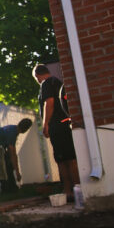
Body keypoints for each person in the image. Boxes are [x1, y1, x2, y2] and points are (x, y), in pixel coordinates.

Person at [33, 64, 80, 200]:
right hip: (66, 123)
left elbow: (49, 102)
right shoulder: (58, 82)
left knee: (61, 159)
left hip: (56, 125)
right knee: (71, 158)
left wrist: (45, 123)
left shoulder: (46, 84)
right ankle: (78, 189)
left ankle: (68, 191)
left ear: (37, 76)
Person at [0, 118, 33, 193]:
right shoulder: (12, 133)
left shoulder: (13, 129)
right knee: (6, 166)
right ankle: (9, 188)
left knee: (7, 165)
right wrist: (17, 173)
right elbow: (13, 155)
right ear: (26, 129)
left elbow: (11, 152)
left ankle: (9, 188)